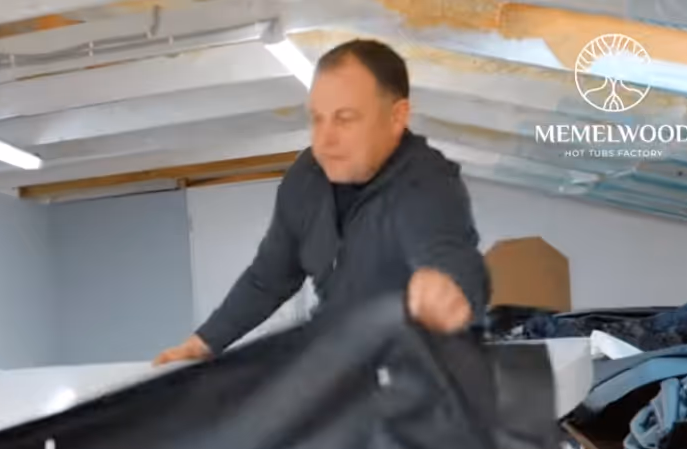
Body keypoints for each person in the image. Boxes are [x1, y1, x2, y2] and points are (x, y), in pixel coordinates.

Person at [154, 39, 490, 366]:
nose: (325, 140)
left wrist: (449, 289)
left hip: (416, 373)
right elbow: (269, 278)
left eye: (344, 118)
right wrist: (205, 342)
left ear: (396, 117)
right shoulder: (305, 179)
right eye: (317, 118)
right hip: (337, 366)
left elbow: (450, 255)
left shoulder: (426, 183)